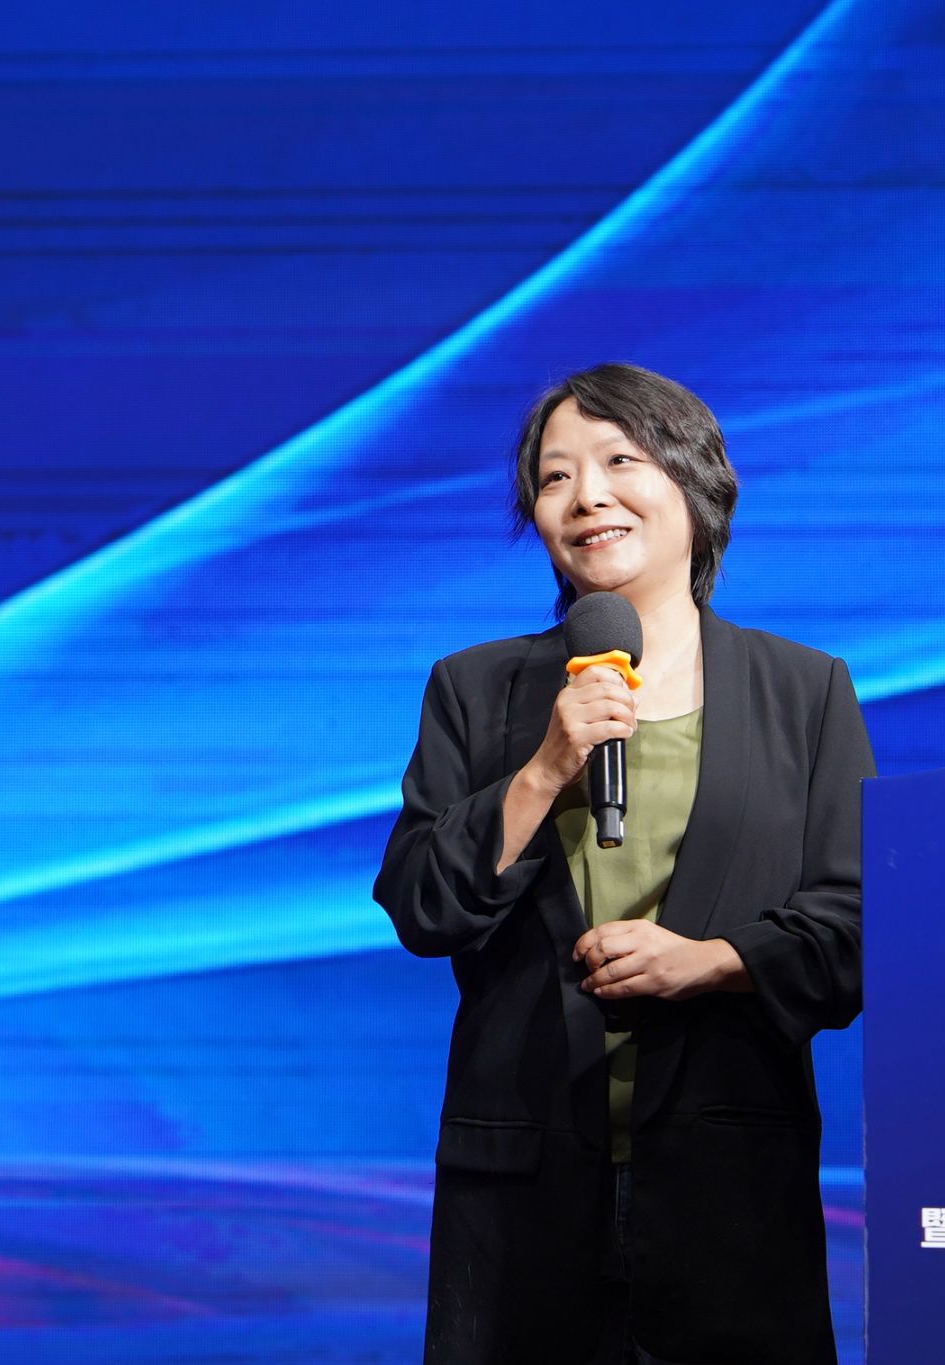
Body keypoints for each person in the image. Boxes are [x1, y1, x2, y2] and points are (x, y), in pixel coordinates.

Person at [374, 363, 873, 1364]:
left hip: (728, 1189)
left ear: (694, 484)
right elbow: (422, 905)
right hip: (520, 1194)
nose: (586, 496)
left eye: (619, 461)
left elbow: (858, 925)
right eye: (554, 477)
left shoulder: (804, 690)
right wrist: (542, 770)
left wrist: (716, 960)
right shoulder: (474, 688)